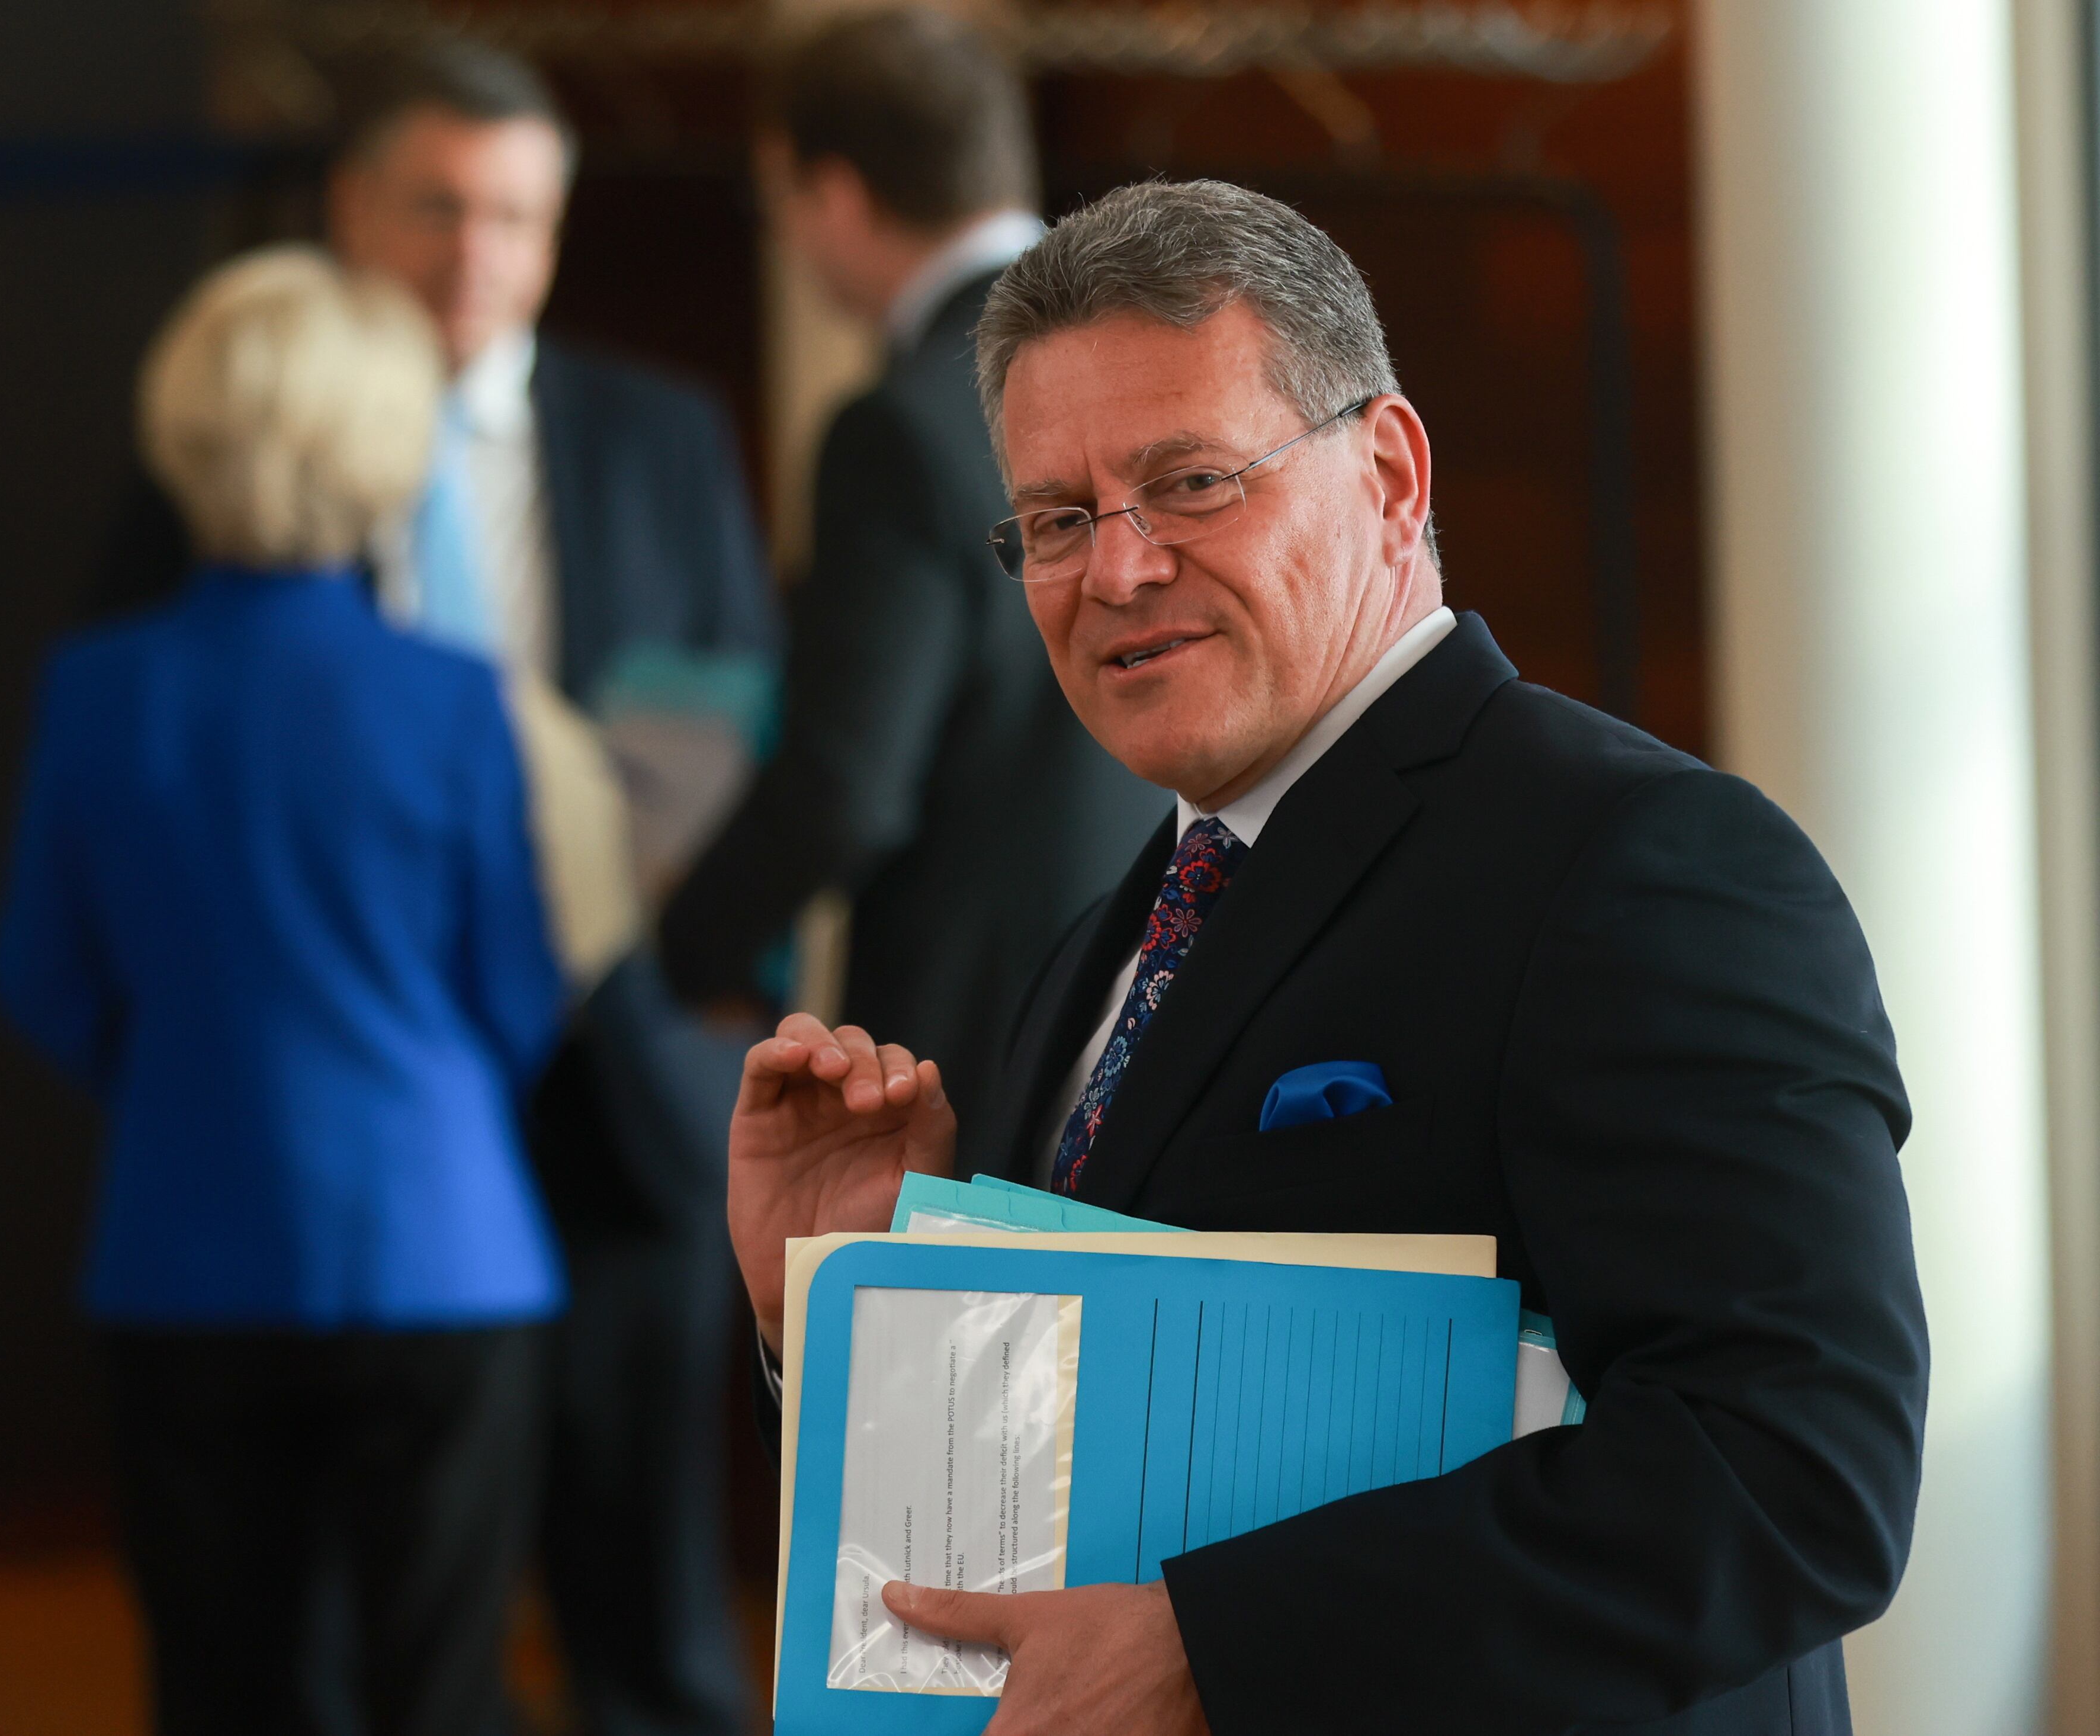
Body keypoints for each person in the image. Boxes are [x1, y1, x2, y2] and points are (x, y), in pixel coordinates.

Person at [723, 181, 1928, 1736]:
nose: (1120, 570)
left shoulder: (1648, 865)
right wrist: (858, 1298)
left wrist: (1219, 1649)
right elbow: (1053, 1521)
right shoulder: (1104, 941)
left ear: (1390, 472)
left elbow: (1791, 1471)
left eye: (1192, 483)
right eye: (1059, 519)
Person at [97, 43, 777, 1736]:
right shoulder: (200, 461)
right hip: (332, 1155)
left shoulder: (661, 433)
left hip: (617, 1105)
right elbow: (124, 839)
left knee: (652, 1636)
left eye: (519, 218)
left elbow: (726, 719)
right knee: (336, 1657)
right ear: (347, 211)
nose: (478, 256)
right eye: (438, 209)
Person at [0, 246, 566, 1736]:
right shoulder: (448, 695)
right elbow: (515, 990)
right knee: (440, 1695)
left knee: (224, 1695)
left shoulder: (101, 688)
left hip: (184, 1246)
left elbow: (40, 974)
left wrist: (191, 1079)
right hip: (440, 1245)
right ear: (380, 446)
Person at [657, 9, 1168, 1152]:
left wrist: (676, 952)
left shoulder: (895, 429)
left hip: (977, 1035)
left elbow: (847, 783)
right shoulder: (1152, 364)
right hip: (1164, 982)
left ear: (831, 195)